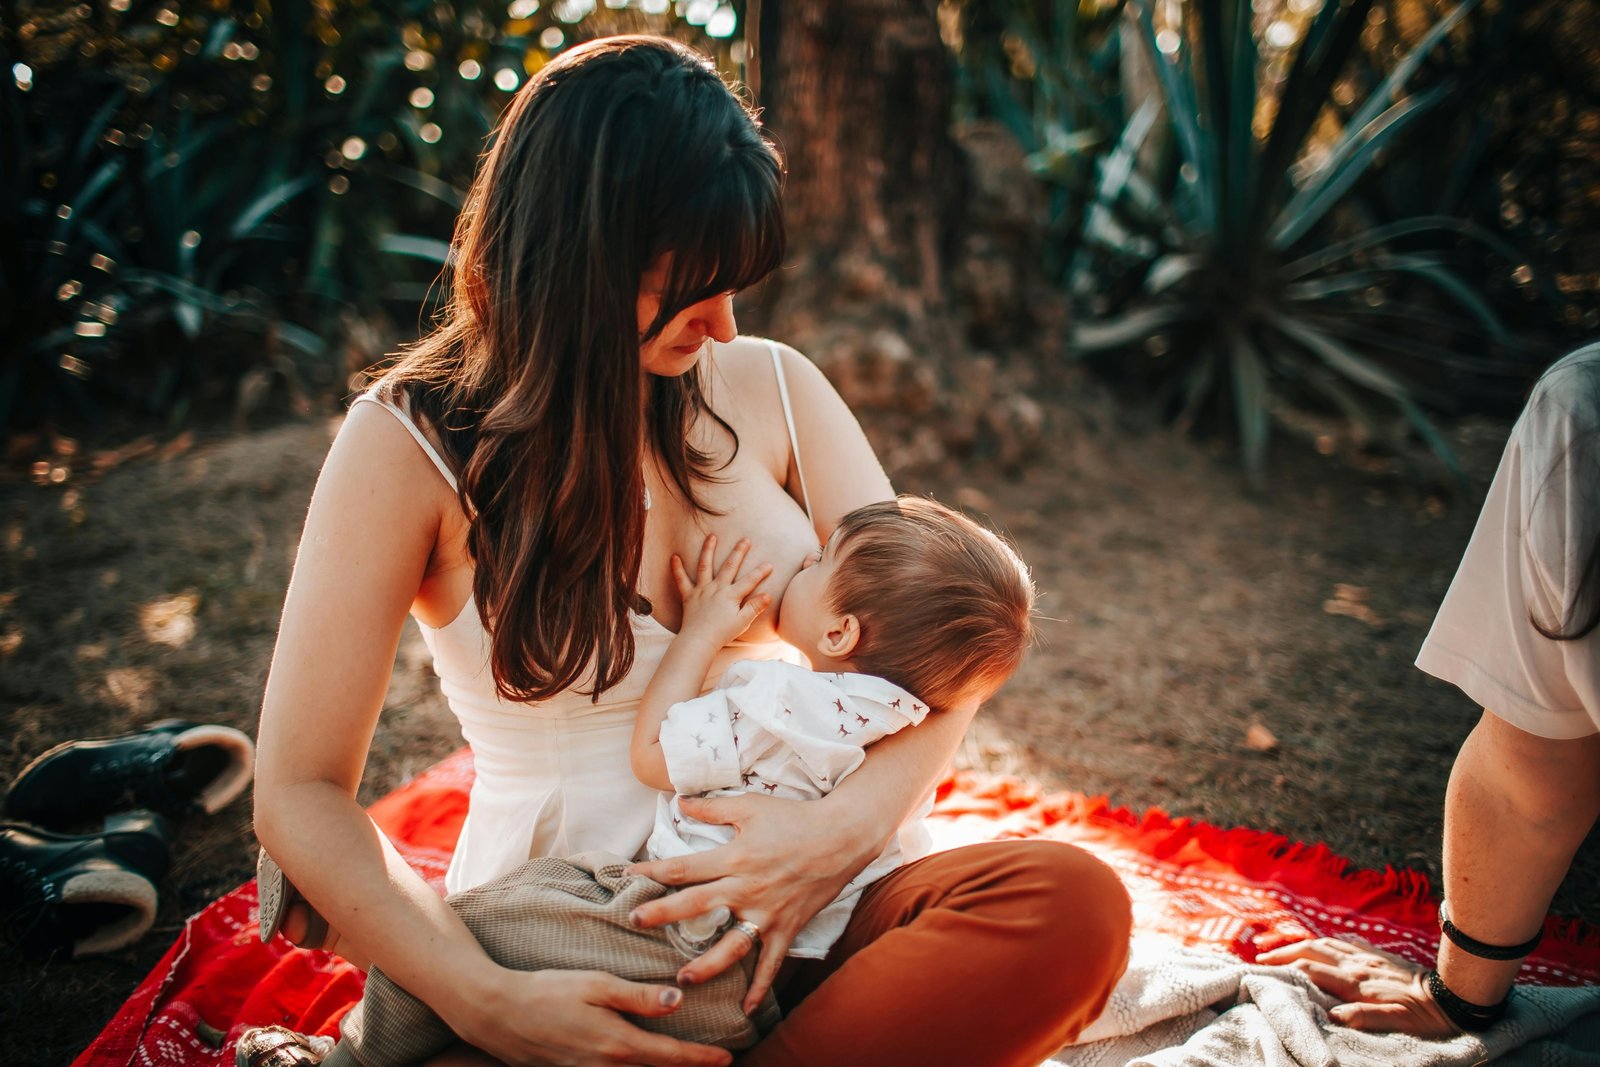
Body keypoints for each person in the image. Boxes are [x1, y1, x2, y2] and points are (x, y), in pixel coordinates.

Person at [246, 34, 1131, 1067]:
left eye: (737, 285)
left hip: (823, 903)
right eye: (688, 286)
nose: (721, 325)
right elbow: (299, 791)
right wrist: (493, 1003)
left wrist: (835, 836)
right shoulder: (408, 442)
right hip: (589, 939)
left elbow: (936, 663)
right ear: (575, 259)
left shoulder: (776, 387)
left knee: (1068, 903)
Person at [292, 498, 1038, 1066]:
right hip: (791, 968)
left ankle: (353, 1046)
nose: (801, 563)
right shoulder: (905, 720)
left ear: (841, 633)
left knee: (485, 922)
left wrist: (703, 632)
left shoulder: (777, 704)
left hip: (669, 931)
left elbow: (653, 753)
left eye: (817, 564)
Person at [1259, 344, 1600, 1035]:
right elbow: (1530, 767)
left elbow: (1532, 774)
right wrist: (1460, 994)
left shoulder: (1584, 410)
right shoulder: (1582, 413)